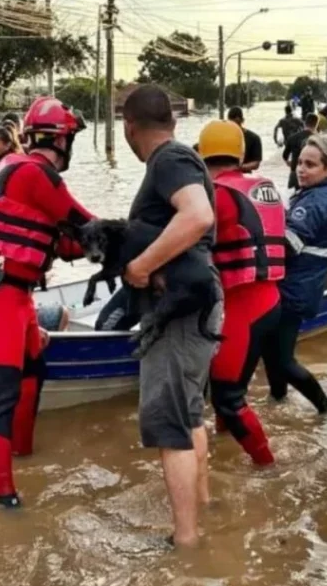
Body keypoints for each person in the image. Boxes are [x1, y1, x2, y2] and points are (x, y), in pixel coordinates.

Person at [0, 96, 94, 509]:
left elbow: (67, 241)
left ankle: (22, 453)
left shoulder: (14, 167)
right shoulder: (39, 176)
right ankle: (5, 497)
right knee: (3, 393)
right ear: (62, 140)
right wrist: (138, 236)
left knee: (33, 370)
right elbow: (85, 226)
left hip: (12, 291)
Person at [122, 84, 220, 549]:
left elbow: (198, 216)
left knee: (170, 423)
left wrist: (141, 265)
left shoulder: (167, 160)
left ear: (129, 126)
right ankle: (203, 509)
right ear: (174, 120)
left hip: (179, 310)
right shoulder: (183, 157)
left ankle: (186, 542)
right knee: (190, 413)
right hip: (197, 301)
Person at [196, 121, 285, 470]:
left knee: (228, 398)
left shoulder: (214, 194)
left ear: (201, 155)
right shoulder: (265, 186)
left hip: (242, 308)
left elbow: (185, 238)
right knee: (229, 391)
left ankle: (268, 469)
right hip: (270, 301)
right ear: (241, 154)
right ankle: (224, 448)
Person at [271, 134, 327, 412]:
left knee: (282, 360)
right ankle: (277, 402)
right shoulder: (325, 195)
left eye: (310, 165)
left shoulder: (315, 202)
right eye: (300, 162)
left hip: (293, 292)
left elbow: (287, 246)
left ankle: (326, 408)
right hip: (302, 287)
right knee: (274, 354)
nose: (301, 169)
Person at [283, 113, 319, 191]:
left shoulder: (292, 138)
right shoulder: (318, 139)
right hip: (312, 173)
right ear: (316, 124)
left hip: (296, 172)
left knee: (298, 196)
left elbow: (285, 155)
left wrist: (289, 163)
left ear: (304, 123)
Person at [226, 106, 264, 171]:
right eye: (231, 124)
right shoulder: (224, 137)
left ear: (242, 120)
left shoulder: (254, 138)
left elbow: (256, 163)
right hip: (225, 173)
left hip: (244, 174)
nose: (234, 127)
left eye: (236, 123)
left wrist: (239, 167)